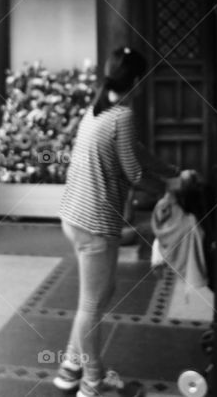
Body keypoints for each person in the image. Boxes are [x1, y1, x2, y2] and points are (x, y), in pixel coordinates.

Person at [54, 46, 179, 397]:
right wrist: (169, 189)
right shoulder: (121, 115)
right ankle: (92, 384)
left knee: (98, 295)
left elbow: (134, 151)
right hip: (94, 222)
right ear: (137, 81)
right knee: (92, 305)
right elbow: (135, 172)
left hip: (75, 215)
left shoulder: (98, 110)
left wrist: (171, 174)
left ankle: (70, 368)